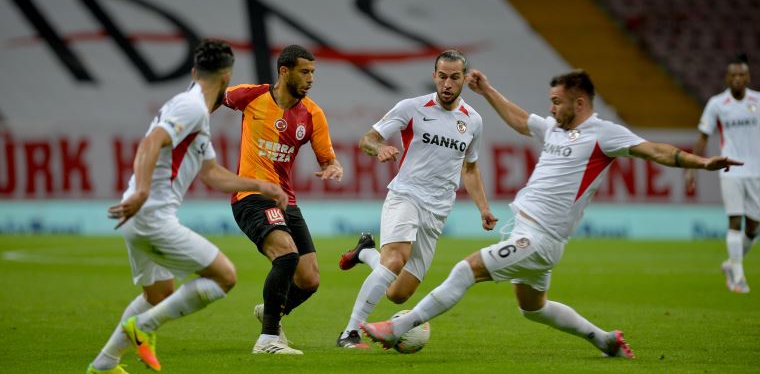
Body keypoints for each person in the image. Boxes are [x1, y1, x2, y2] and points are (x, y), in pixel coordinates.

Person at [362, 69, 742, 358]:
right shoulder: (556, 130)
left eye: (557, 101)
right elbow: (519, 119)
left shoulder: (604, 135)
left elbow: (657, 151)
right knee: (533, 309)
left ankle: (399, 328)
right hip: (526, 234)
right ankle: (604, 339)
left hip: (540, 239)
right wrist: (488, 91)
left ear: (579, 103)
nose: (551, 107)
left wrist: (704, 163)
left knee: (465, 270)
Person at [86, 39, 288, 374]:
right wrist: (144, 191)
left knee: (159, 292)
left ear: (195, 71)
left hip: (137, 213)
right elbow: (151, 142)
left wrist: (260, 185)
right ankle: (144, 328)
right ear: (227, 78)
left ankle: (105, 363)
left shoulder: (194, 113)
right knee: (224, 277)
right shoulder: (191, 108)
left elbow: (211, 174)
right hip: (149, 213)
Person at [336, 50, 498, 349]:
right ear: (434, 75)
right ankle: (350, 332)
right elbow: (367, 139)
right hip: (406, 195)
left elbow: (471, 167)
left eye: (455, 77)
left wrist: (484, 208)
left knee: (398, 293)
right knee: (396, 257)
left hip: (438, 210)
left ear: (464, 79)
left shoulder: (473, 121)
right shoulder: (411, 107)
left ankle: (365, 253)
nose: (447, 83)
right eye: (442, 76)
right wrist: (379, 149)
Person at [223, 44, 343, 355]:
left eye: (313, 73)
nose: (311, 79)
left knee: (309, 279)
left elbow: (327, 159)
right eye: (305, 72)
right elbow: (211, 96)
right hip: (251, 197)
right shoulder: (250, 96)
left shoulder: (313, 115)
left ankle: (272, 311)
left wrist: (334, 167)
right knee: (286, 257)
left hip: (286, 201)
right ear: (284, 72)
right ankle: (267, 340)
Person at [685, 54, 759, 293]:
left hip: (756, 172)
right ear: (727, 77)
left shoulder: (758, 101)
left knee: (754, 227)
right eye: (733, 75)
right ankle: (738, 276)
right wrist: (692, 167)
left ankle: (729, 265)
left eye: (741, 74)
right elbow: (703, 137)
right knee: (735, 221)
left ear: (748, 76)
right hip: (731, 170)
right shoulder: (717, 104)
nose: (737, 78)